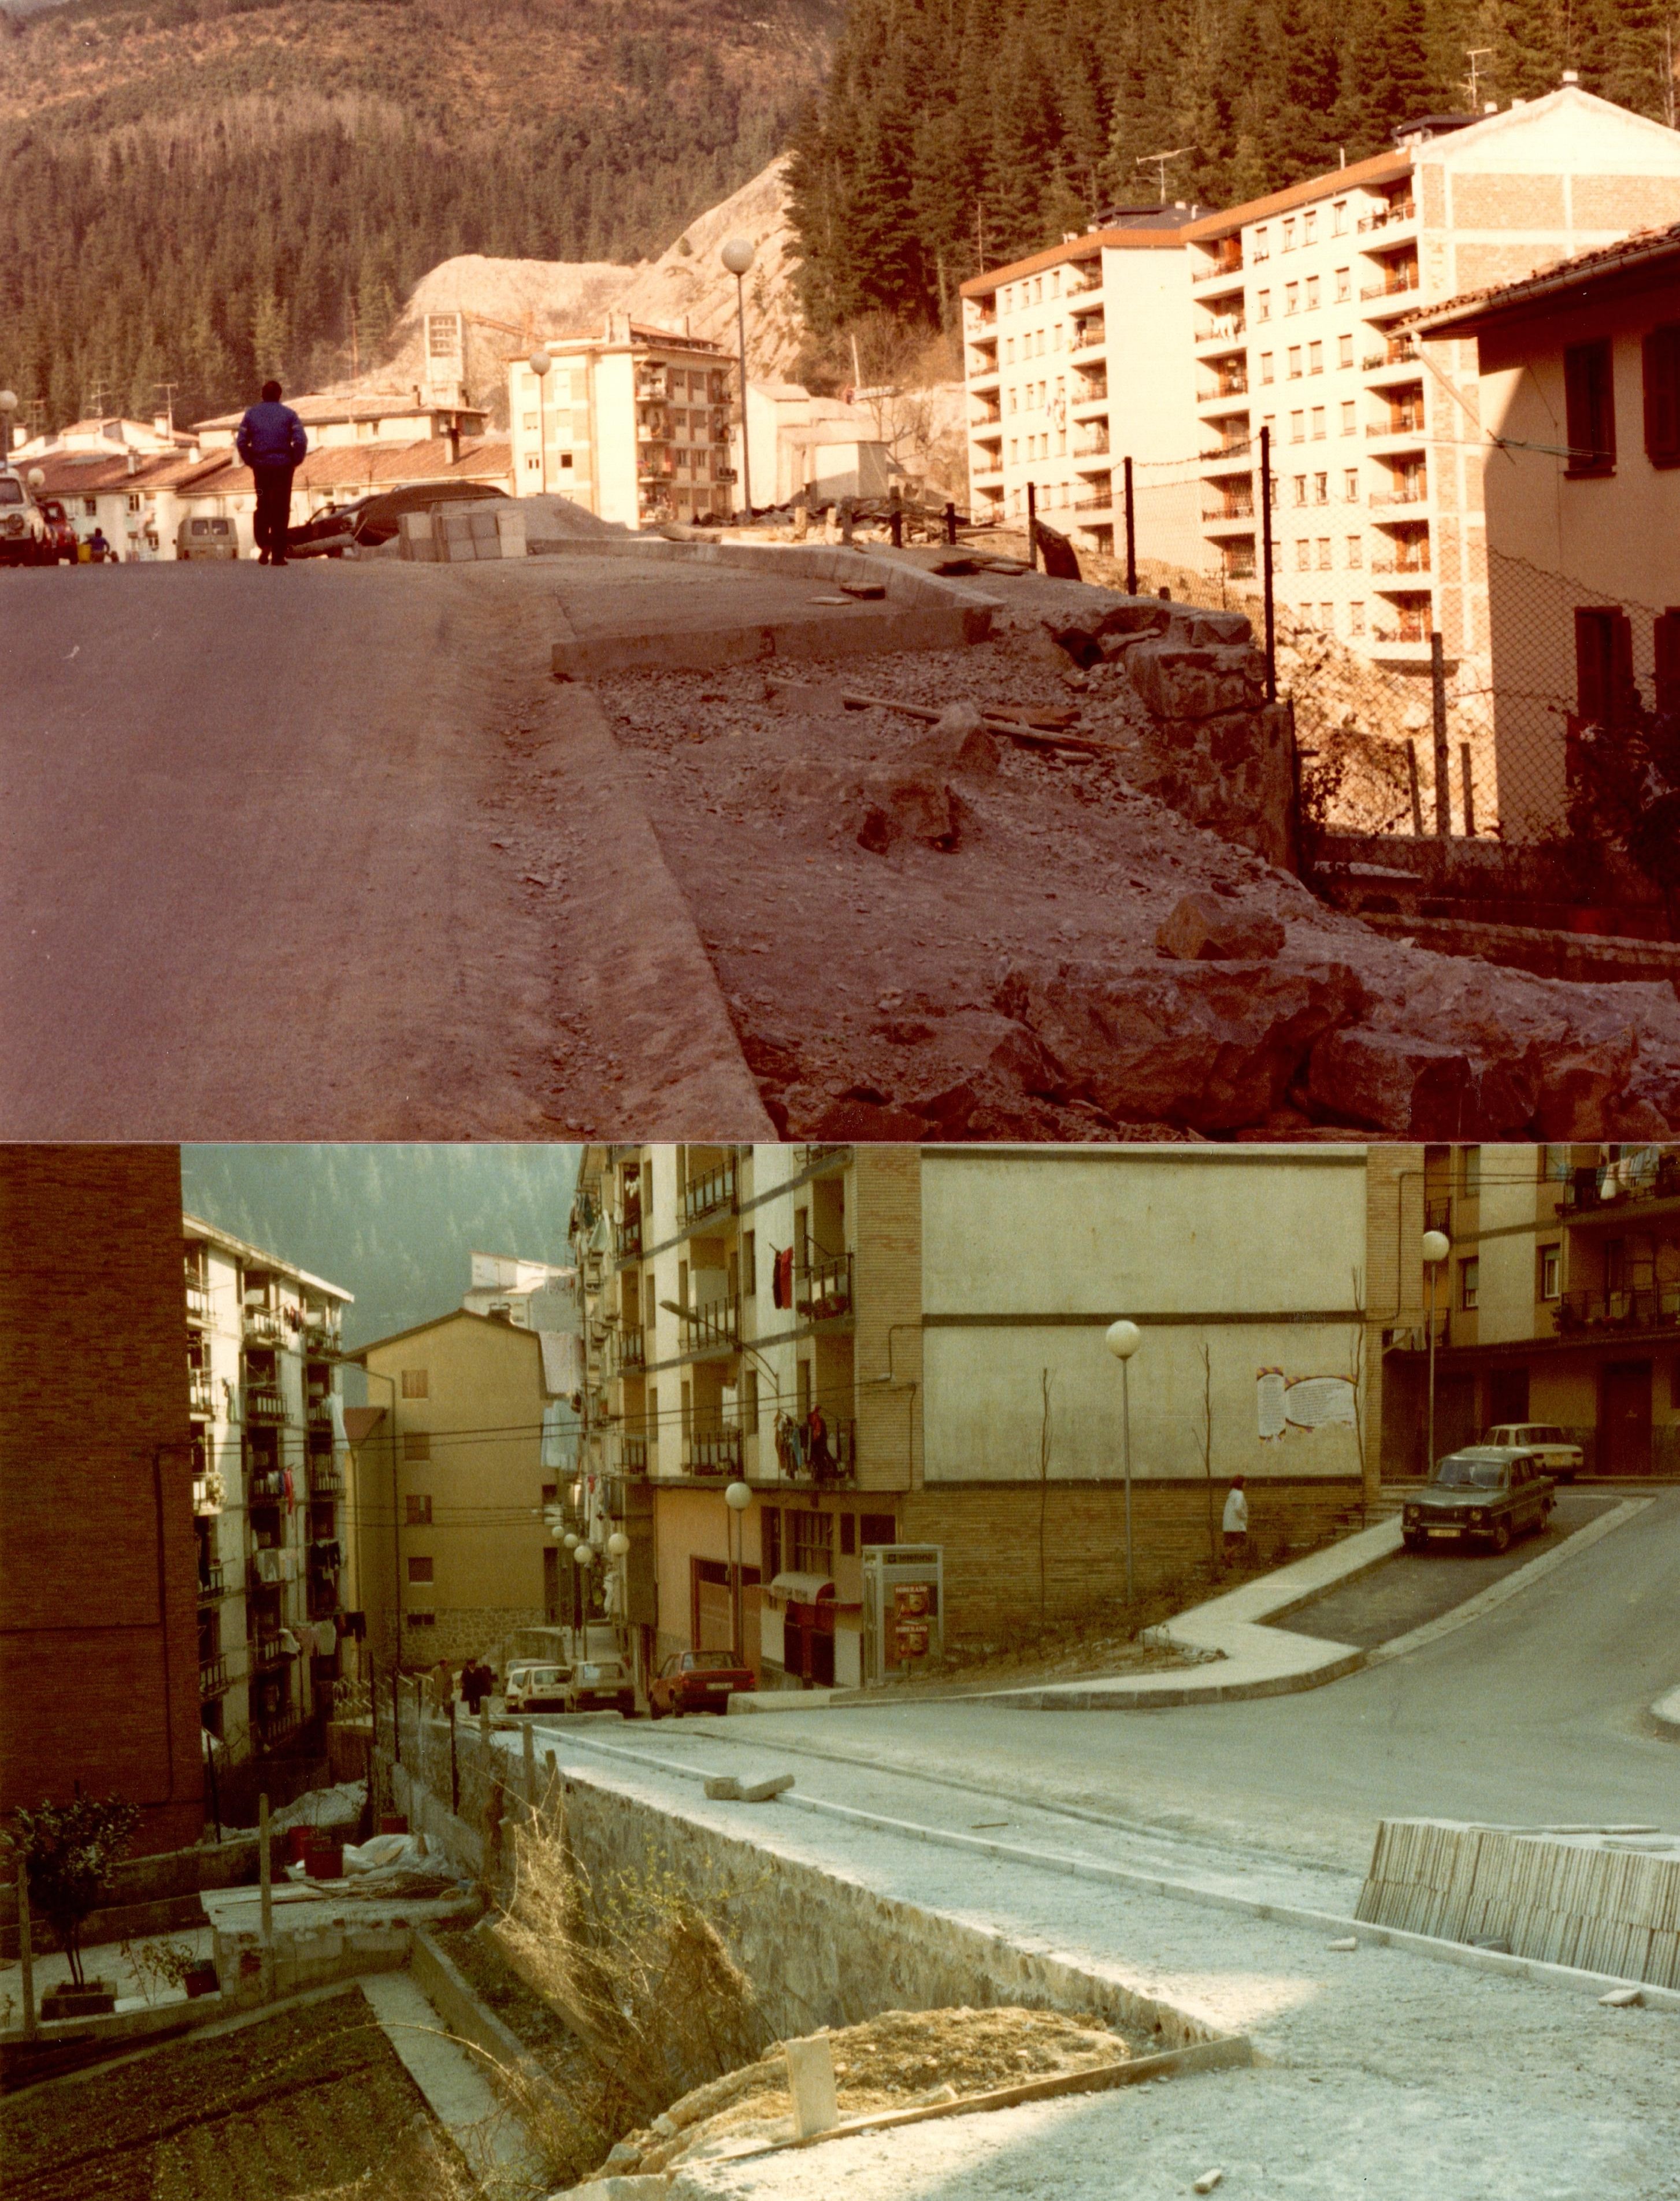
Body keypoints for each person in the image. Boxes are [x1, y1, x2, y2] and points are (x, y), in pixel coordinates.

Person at [236, 380, 308, 566]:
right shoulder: (289, 415)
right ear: (280, 395)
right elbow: (300, 440)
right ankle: (278, 554)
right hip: (283, 469)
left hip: (261, 470)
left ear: (262, 395)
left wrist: (250, 460)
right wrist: (295, 460)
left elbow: (241, 442)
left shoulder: (251, 415)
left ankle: (264, 542)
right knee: (282, 508)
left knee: (262, 503)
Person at [1222, 1475, 1249, 1567]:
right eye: (1245, 1483)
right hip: (1236, 1525)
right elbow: (1238, 1508)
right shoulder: (1239, 1494)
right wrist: (1244, 1516)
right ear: (1241, 1483)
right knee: (1241, 1542)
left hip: (1228, 1525)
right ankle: (1226, 1556)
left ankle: (1228, 1564)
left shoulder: (1231, 1495)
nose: (1246, 1485)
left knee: (1230, 1544)